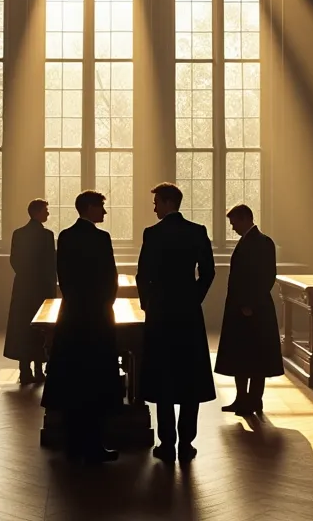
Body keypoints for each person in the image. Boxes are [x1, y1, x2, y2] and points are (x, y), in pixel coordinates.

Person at [136, 182, 215, 463]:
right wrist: (194, 298)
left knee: (163, 376)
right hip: (188, 313)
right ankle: (187, 442)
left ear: (168, 202)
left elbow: (142, 275)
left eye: (157, 201)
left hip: (160, 314)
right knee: (189, 376)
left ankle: (166, 442)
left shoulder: (153, 234)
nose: (154, 206)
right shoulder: (197, 231)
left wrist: (149, 304)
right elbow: (208, 272)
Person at [41, 190, 122, 464]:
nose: (104, 212)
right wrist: (104, 305)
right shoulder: (101, 238)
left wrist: (76, 303)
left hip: (73, 316)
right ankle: (94, 443)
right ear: (89, 208)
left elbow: (62, 276)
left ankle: (73, 442)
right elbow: (110, 278)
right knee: (96, 381)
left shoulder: (65, 236)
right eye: (101, 207)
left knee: (73, 380)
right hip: (97, 318)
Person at [214, 204, 282, 416]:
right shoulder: (251, 242)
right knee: (243, 357)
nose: (232, 227)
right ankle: (243, 398)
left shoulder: (263, 243)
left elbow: (267, 276)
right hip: (243, 309)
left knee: (255, 358)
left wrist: (249, 305)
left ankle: (253, 400)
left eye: (234, 222)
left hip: (254, 310)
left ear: (245, 219)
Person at [5, 199, 55, 384]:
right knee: (42, 329)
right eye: (46, 211)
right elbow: (51, 264)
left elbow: (14, 260)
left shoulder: (18, 234)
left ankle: (24, 370)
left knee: (22, 327)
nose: (48, 214)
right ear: (38, 212)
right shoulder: (47, 235)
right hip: (42, 287)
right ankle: (39, 369)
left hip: (24, 286)